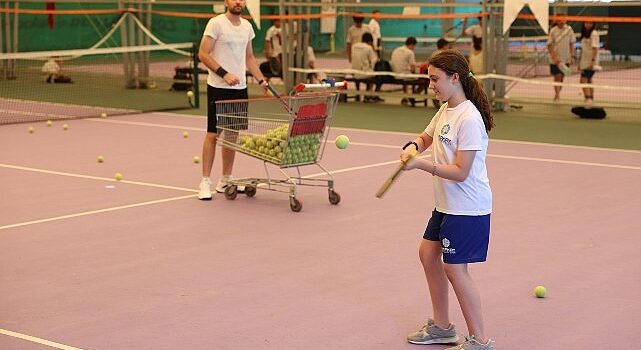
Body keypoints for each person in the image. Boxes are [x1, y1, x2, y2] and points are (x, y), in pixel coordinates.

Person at [402, 49, 495, 350]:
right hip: (446, 205)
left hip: (467, 208)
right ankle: (442, 328)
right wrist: (413, 146)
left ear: (455, 78)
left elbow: (461, 172)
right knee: (428, 255)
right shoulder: (445, 109)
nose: (431, 86)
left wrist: (421, 164)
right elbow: (427, 137)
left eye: (435, 79)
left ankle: (480, 340)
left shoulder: (469, 118)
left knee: (455, 269)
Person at [197, 0, 268, 200]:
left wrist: (261, 79)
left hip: (240, 89)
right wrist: (224, 73)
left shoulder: (247, 27)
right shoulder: (216, 23)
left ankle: (226, 179)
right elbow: (203, 54)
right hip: (218, 88)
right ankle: (205, 181)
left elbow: (249, 58)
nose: (238, 1)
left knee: (232, 135)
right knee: (213, 134)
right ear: (227, 1)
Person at [547, 19, 575, 103]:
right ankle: (557, 95)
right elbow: (549, 44)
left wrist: (572, 56)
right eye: (559, 20)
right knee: (557, 76)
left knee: (562, 77)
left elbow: (571, 43)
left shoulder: (569, 30)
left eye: (562, 20)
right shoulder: (553, 30)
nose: (561, 22)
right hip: (555, 59)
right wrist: (554, 56)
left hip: (566, 58)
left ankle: (557, 94)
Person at [351, 33, 383, 103]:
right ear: (370, 41)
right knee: (377, 75)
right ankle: (368, 95)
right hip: (364, 74)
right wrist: (373, 49)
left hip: (354, 73)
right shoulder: (369, 48)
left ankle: (358, 93)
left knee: (362, 70)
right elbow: (375, 60)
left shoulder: (354, 46)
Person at [390, 36, 417, 104]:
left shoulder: (396, 49)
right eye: (414, 46)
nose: (414, 48)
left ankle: (405, 97)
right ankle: (413, 95)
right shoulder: (410, 52)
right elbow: (413, 67)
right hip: (404, 75)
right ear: (411, 44)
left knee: (406, 72)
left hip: (395, 74)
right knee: (423, 79)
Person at [578, 21, 599, 106]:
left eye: (590, 23)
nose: (588, 24)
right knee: (589, 80)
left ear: (593, 24)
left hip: (591, 62)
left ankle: (588, 98)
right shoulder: (584, 34)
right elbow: (583, 50)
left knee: (583, 80)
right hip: (584, 61)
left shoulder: (594, 33)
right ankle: (591, 98)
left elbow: (595, 48)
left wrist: (593, 61)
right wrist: (580, 63)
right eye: (586, 23)